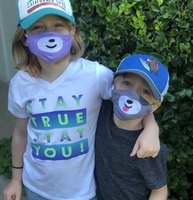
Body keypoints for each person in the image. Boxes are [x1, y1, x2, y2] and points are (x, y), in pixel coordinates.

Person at [3, 1, 160, 200]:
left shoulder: (96, 75)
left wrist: (151, 127)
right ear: (25, 38)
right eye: (37, 27)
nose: (49, 33)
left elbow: (129, 101)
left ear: (72, 31)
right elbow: (20, 134)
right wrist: (16, 179)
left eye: (58, 25)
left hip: (82, 193)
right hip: (36, 188)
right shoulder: (21, 83)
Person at [95, 54, 169, 200]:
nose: (132, 94)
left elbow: (159, 190)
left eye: (145, 91)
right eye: (127, 83)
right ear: (114, 84)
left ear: (155, 107)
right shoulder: (101, 109)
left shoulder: (148, 149)